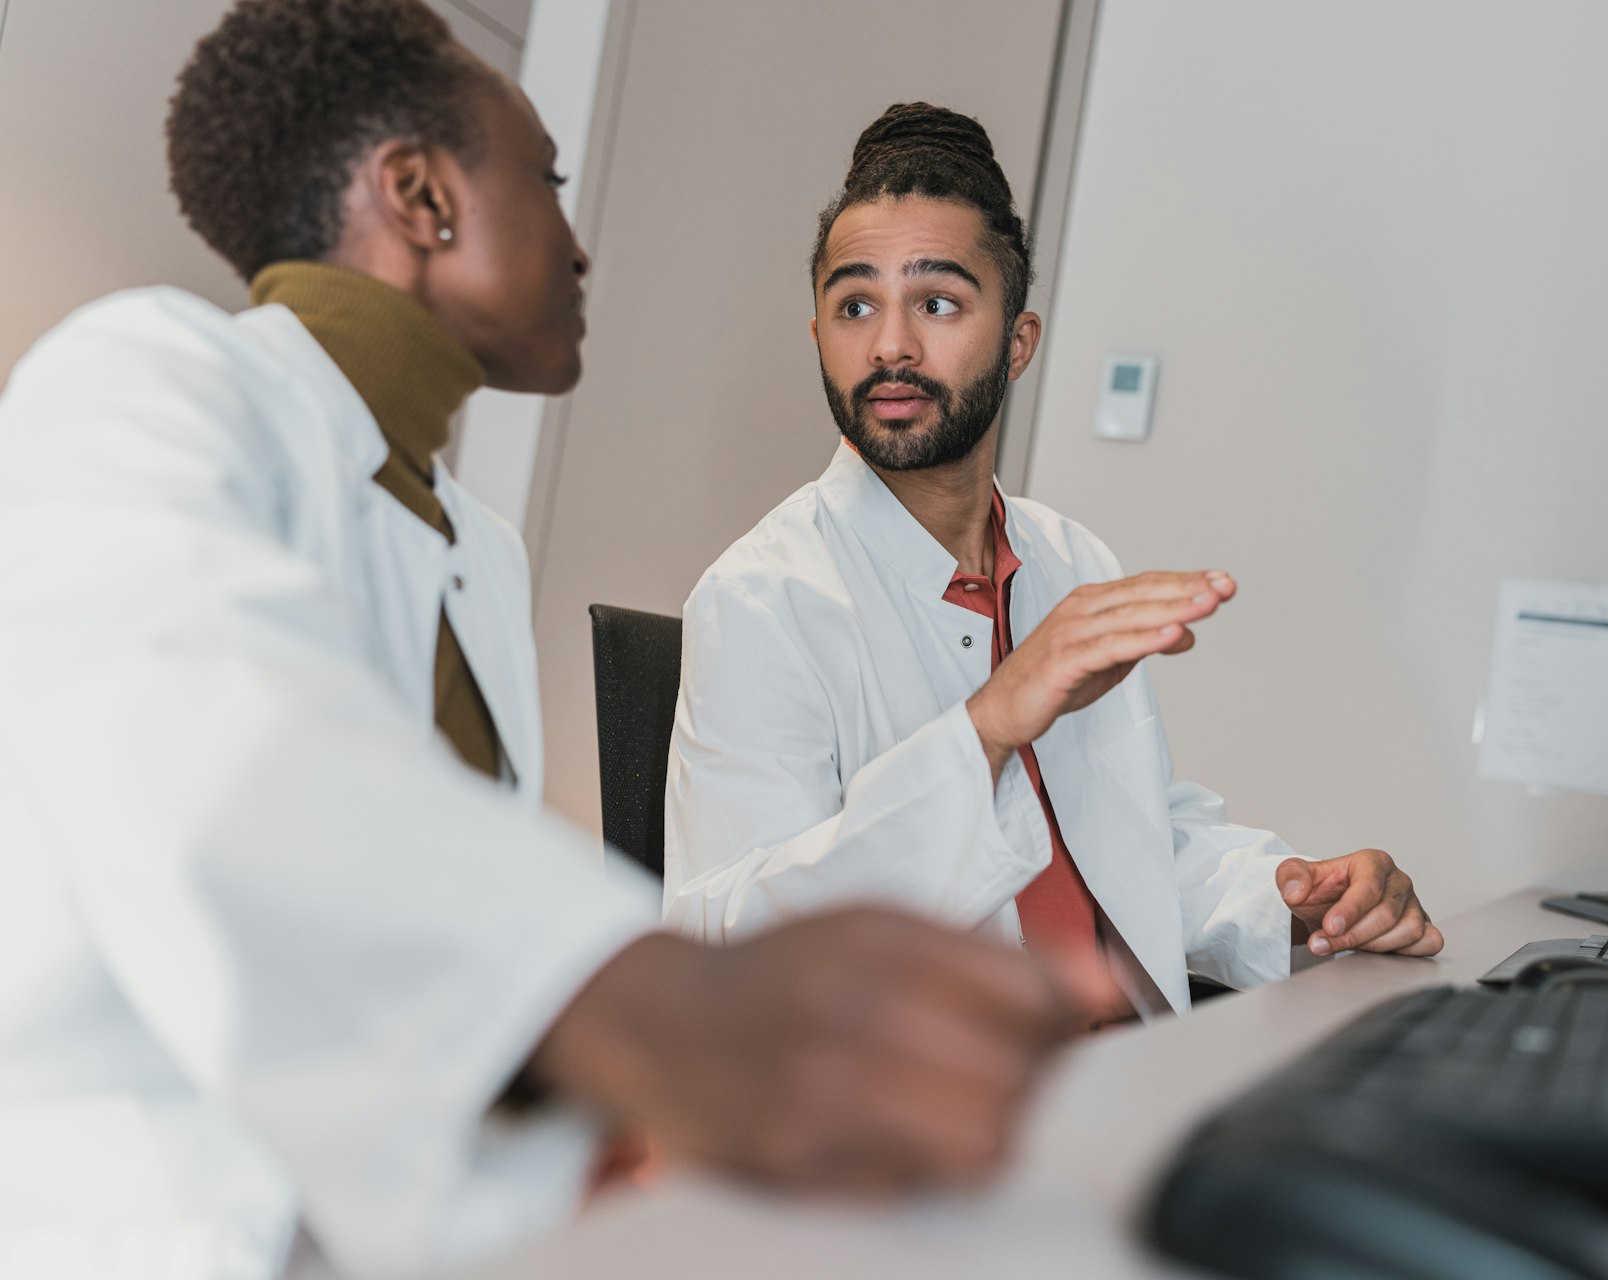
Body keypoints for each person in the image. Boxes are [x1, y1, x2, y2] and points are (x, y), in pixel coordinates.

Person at [0, 10, 1100, 1277]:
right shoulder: (146, 374)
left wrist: (595, 1138)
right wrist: (666, 1009)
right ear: (421, 196)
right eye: (547, 181)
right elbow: (203, 729)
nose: (579, 247)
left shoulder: (473, 544)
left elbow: (403, 979)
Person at [663, 104, 1443, 1016]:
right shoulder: (762, 597)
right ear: (819, 339)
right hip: (947, 1109)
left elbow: (1131, 834)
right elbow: (725, 942)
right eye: (855, 304)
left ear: (1019, 342)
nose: (890, 347)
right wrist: (983, 731)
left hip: (1131, 1072)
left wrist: (1302, 899)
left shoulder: (1070, 558)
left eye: (939, 302)